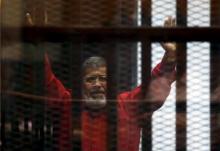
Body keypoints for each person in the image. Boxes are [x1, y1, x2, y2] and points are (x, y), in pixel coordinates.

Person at [27, 13, 176, 151]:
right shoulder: (68, 103)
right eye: (91, 79)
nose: (97, 84)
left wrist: (170, 56)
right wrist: (38, 50)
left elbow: (153, 90)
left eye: (103, 79)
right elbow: (47, 83)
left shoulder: (128, 105)